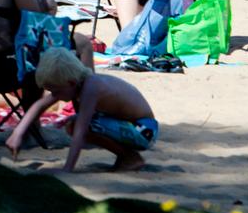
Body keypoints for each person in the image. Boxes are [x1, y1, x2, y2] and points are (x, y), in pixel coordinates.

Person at [12, 49, 156, 172]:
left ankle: (130, 157)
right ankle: (126, 156)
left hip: (144, 130)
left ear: (71, 83)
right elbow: (40, 105)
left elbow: (80, 131)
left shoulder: (91, 88)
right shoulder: (80, 83)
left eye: (56, 91)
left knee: (82, 125)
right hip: (134, 125)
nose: (55, 96)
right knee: (74, 122)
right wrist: (17, 133)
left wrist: (67, 169)